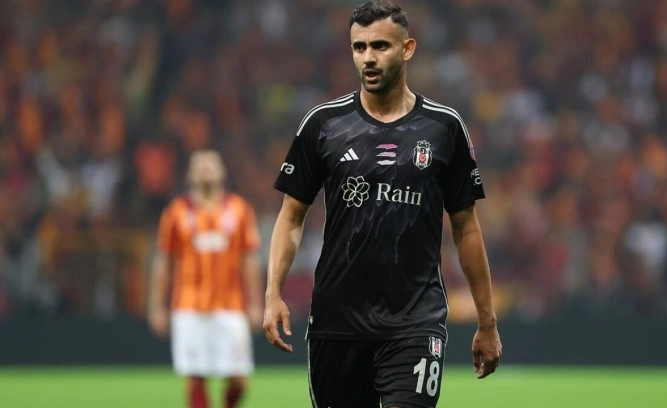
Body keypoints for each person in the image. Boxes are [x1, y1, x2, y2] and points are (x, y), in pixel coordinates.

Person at [263, 1, 502, 407]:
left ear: (407, 49)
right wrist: (272, 293)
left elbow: (466, 227)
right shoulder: (323, 125)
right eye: (359, 47)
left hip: (415, 321)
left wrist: (487, 321)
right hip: (337, 323)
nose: (368, 58)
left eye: (380, 46)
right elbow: (291, 218)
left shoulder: (444, 128)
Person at [148, 149, 263, 408]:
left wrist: (256, 303)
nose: (205, 169)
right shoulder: (175, 212)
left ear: (222, 171)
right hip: (189, 306)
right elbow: (163, 261)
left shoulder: (240, 210)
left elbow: (250, 260)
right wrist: (157, 306)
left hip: (231, 306)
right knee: (195, 377)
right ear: (189, 174)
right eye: (199, 165)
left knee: (239, 379)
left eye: (211, 164)